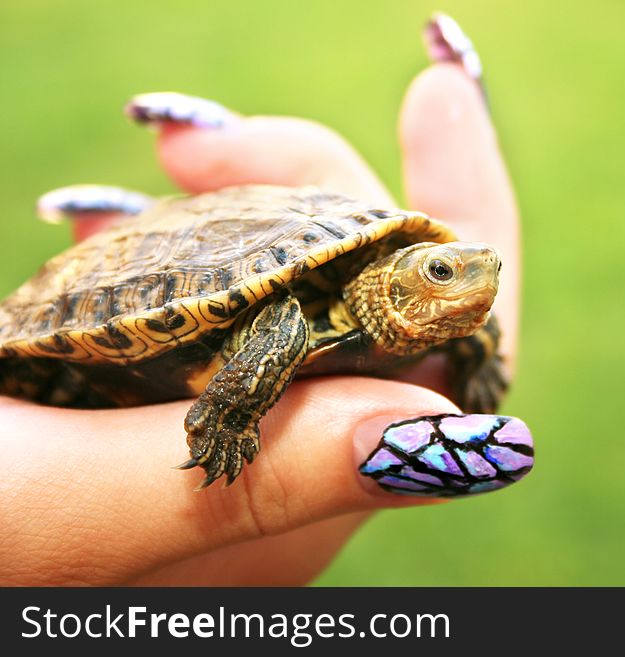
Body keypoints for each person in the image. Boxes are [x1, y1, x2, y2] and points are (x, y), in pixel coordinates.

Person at [0, 14, 528, 586]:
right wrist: (230, 418)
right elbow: (280, 313)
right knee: (284, 322)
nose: (477, 280)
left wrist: (478, 357)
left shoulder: (428, 318)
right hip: (85, 358)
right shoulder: (292, 312)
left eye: (486, 271)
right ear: (393, 280)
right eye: (442, 272)